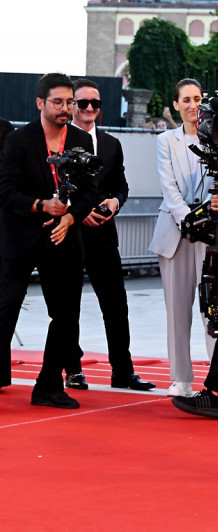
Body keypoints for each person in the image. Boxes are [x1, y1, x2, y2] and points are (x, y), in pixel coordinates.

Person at [0, 73, 96, 406]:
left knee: (67, 313)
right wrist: (42, 205)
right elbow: (6, 191)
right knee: (5, 306)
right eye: (58, 102)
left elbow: (90, 192)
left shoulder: (81, 141)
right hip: (20, 235)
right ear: (41, 103)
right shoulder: (19, 140)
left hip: (63, 236)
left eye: (69, 101)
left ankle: (49, 386)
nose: (66, 108)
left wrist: (69, 217)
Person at [65, 78, 155, 391]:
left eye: (96, 103)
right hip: (71, 234)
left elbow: (121, 184)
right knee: (68, 305)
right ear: (72, 105)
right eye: (83, 103)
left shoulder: (112, 144)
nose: (90, 108)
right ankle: (73, 369)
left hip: (105, 235)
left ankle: (123, 370)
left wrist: (115, 203)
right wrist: (80, 211)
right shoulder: (60, 143)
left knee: (116, 304)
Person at [148, 78, 218, 397]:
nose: (193, 105)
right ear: (175, 105)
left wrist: (205, 216)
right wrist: (188, 217)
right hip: (175, 233)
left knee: (215, 309)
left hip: (211, 232)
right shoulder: (166, 140)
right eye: (186, 100)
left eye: (197, 98)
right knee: (177, 310)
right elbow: (169, 186)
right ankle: (180, 378)